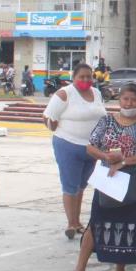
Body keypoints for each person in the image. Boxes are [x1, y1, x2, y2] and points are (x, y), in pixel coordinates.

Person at [66, 83, 136, 271]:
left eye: (134, 99)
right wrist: (107, 156)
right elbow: (91, 146)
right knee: (96, 223)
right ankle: (79, 269)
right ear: (119, 100)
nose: (129, 103)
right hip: (108, 179)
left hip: (133, 180)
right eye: (125, 99)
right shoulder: (106, 121)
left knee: (127, 225)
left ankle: (120, 270)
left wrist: (125, 161)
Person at [44, 63, 107, 240]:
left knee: (82, 185)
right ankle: (71, 223)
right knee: (70, 185)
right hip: (68, 144)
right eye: (82, 77)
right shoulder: (64, 94)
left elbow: (102, 115)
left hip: (92, 147)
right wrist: (52, 124)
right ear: (74, 78)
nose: (86, 80)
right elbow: (47, 117)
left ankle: (78, 221)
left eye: (89, 77)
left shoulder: (97, 93)